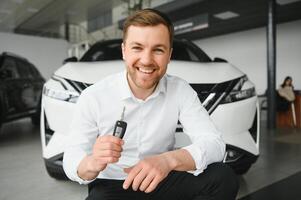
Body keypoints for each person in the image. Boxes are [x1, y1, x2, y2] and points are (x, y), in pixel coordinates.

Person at [63, 8, 239, 200]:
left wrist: (168, 160)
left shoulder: (180, 90)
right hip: (113, 184)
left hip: (162, 177)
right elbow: (71, 158)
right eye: (137, 48)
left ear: (169, 55)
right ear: (124, 51)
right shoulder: (93, 96)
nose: (146, 60)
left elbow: (215, 144)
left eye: (158, 49)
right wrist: (92, 162)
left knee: (224, 177)